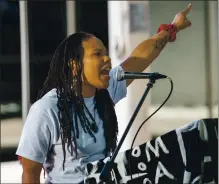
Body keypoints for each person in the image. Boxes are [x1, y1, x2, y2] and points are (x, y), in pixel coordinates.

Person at [16, 3, 192, 184]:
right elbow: (30, 172)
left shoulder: (104, 94)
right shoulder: (47, 108)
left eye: (106, 53)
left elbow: (139, 58)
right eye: (97, 54)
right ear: (74, 65)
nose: (107, 59)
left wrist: (173, 27)